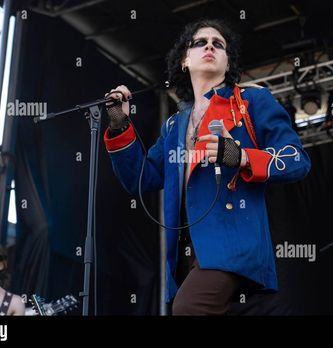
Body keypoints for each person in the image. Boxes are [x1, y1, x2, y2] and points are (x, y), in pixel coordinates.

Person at [103, 19, 311, 315]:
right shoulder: (174, 126)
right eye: (200, 42)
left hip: (234, 245)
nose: (210, 46)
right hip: (188, 253)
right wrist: (120, 124)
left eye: (219, 43)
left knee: (187, 309)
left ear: (228, 63)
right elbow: (140, 178)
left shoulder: (252, 101)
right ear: (185, 61)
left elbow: (297, 161)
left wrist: (241, 157)